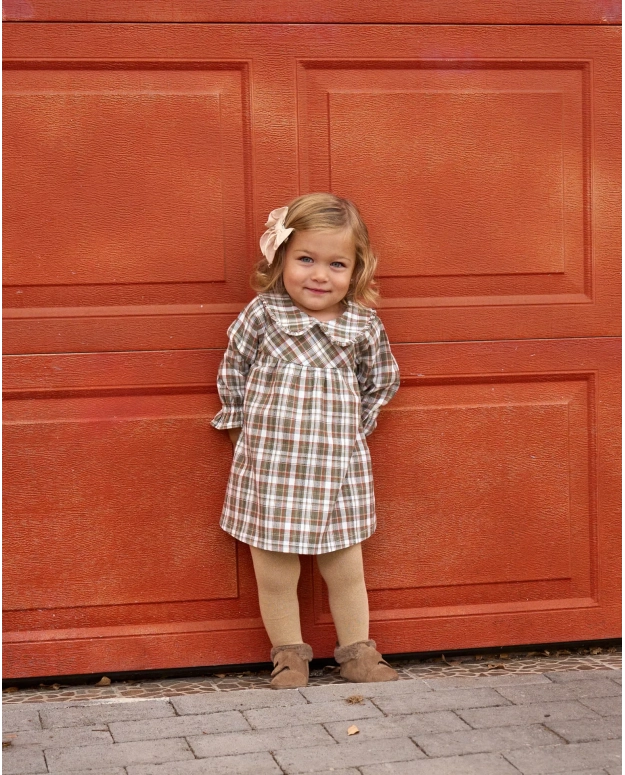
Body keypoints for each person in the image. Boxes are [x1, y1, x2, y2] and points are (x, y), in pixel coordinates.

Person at [211, 192, 400, 689]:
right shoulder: (264, 315)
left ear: (356, 270)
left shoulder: (362, 325)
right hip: (270, 464)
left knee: (345, 567)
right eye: (306, 259)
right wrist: (238, 427)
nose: (320, 275)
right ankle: (289, 656)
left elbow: (381, 381)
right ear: (281, 259)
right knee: (275, 570)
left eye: (337, 264)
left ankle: (357, 651)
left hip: (339, 469)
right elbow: (233, 369)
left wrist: (352, 433)